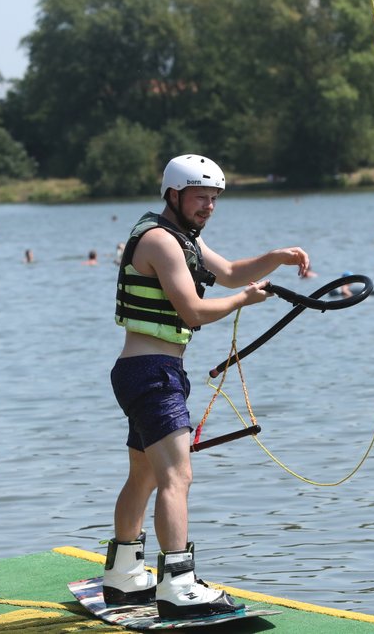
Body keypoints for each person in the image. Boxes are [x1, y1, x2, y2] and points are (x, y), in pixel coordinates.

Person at [105, 154, 309, 620]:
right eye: (201, 197)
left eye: (215, 198)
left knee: (146, 475)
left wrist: (277, 256)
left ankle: (123, 574)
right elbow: (194, 311)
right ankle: (177, 584)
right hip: (153, 372)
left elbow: (235, 271)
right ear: (173, 195)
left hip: (148, 371)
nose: (209, 206)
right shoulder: (160, 241)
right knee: (177, 477)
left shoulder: (180, 238)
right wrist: (241, 302)